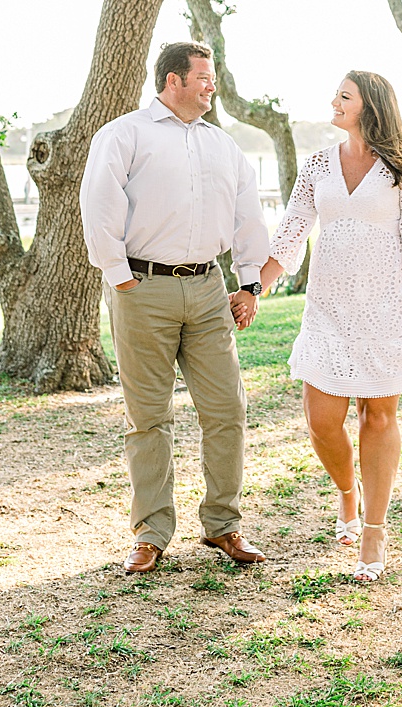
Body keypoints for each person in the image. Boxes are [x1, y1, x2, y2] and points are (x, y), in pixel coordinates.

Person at [80, 41, 270, 574]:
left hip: (210, 290)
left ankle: (224, 526)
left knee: (227, 409)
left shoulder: (223, 146)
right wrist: (118, 275)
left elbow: (247, 215)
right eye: (204, 77)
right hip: (143, 289)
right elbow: (99, 203)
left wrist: (249, 283)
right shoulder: (124, 134)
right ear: (173, 81)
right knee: (149, 418)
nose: (212, 85)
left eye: (212, 77)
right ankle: (151, 532)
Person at [259, 70, 402, 584]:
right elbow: (294, 227)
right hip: (328, 309)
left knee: (378, 417)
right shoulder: (318, 164)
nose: (334, 102)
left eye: (343, 96)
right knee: (322, 421)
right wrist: (256, 285)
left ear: (369, 106)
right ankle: (348, 492)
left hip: (388, 307)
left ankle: (373, 527)